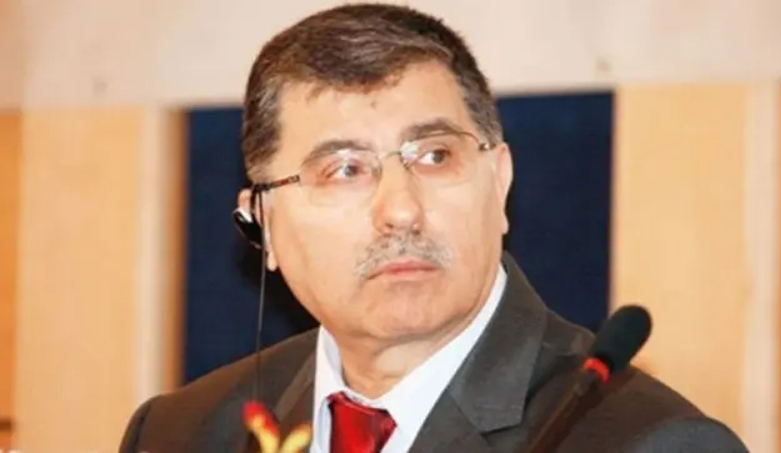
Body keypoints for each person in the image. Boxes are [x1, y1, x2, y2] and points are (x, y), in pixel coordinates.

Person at [119, 3, 749, 453]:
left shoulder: (653, 443)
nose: (401, 210)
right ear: (263, 222)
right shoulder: (177, 435)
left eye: (434, 156)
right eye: (345, 169)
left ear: (499, 182)